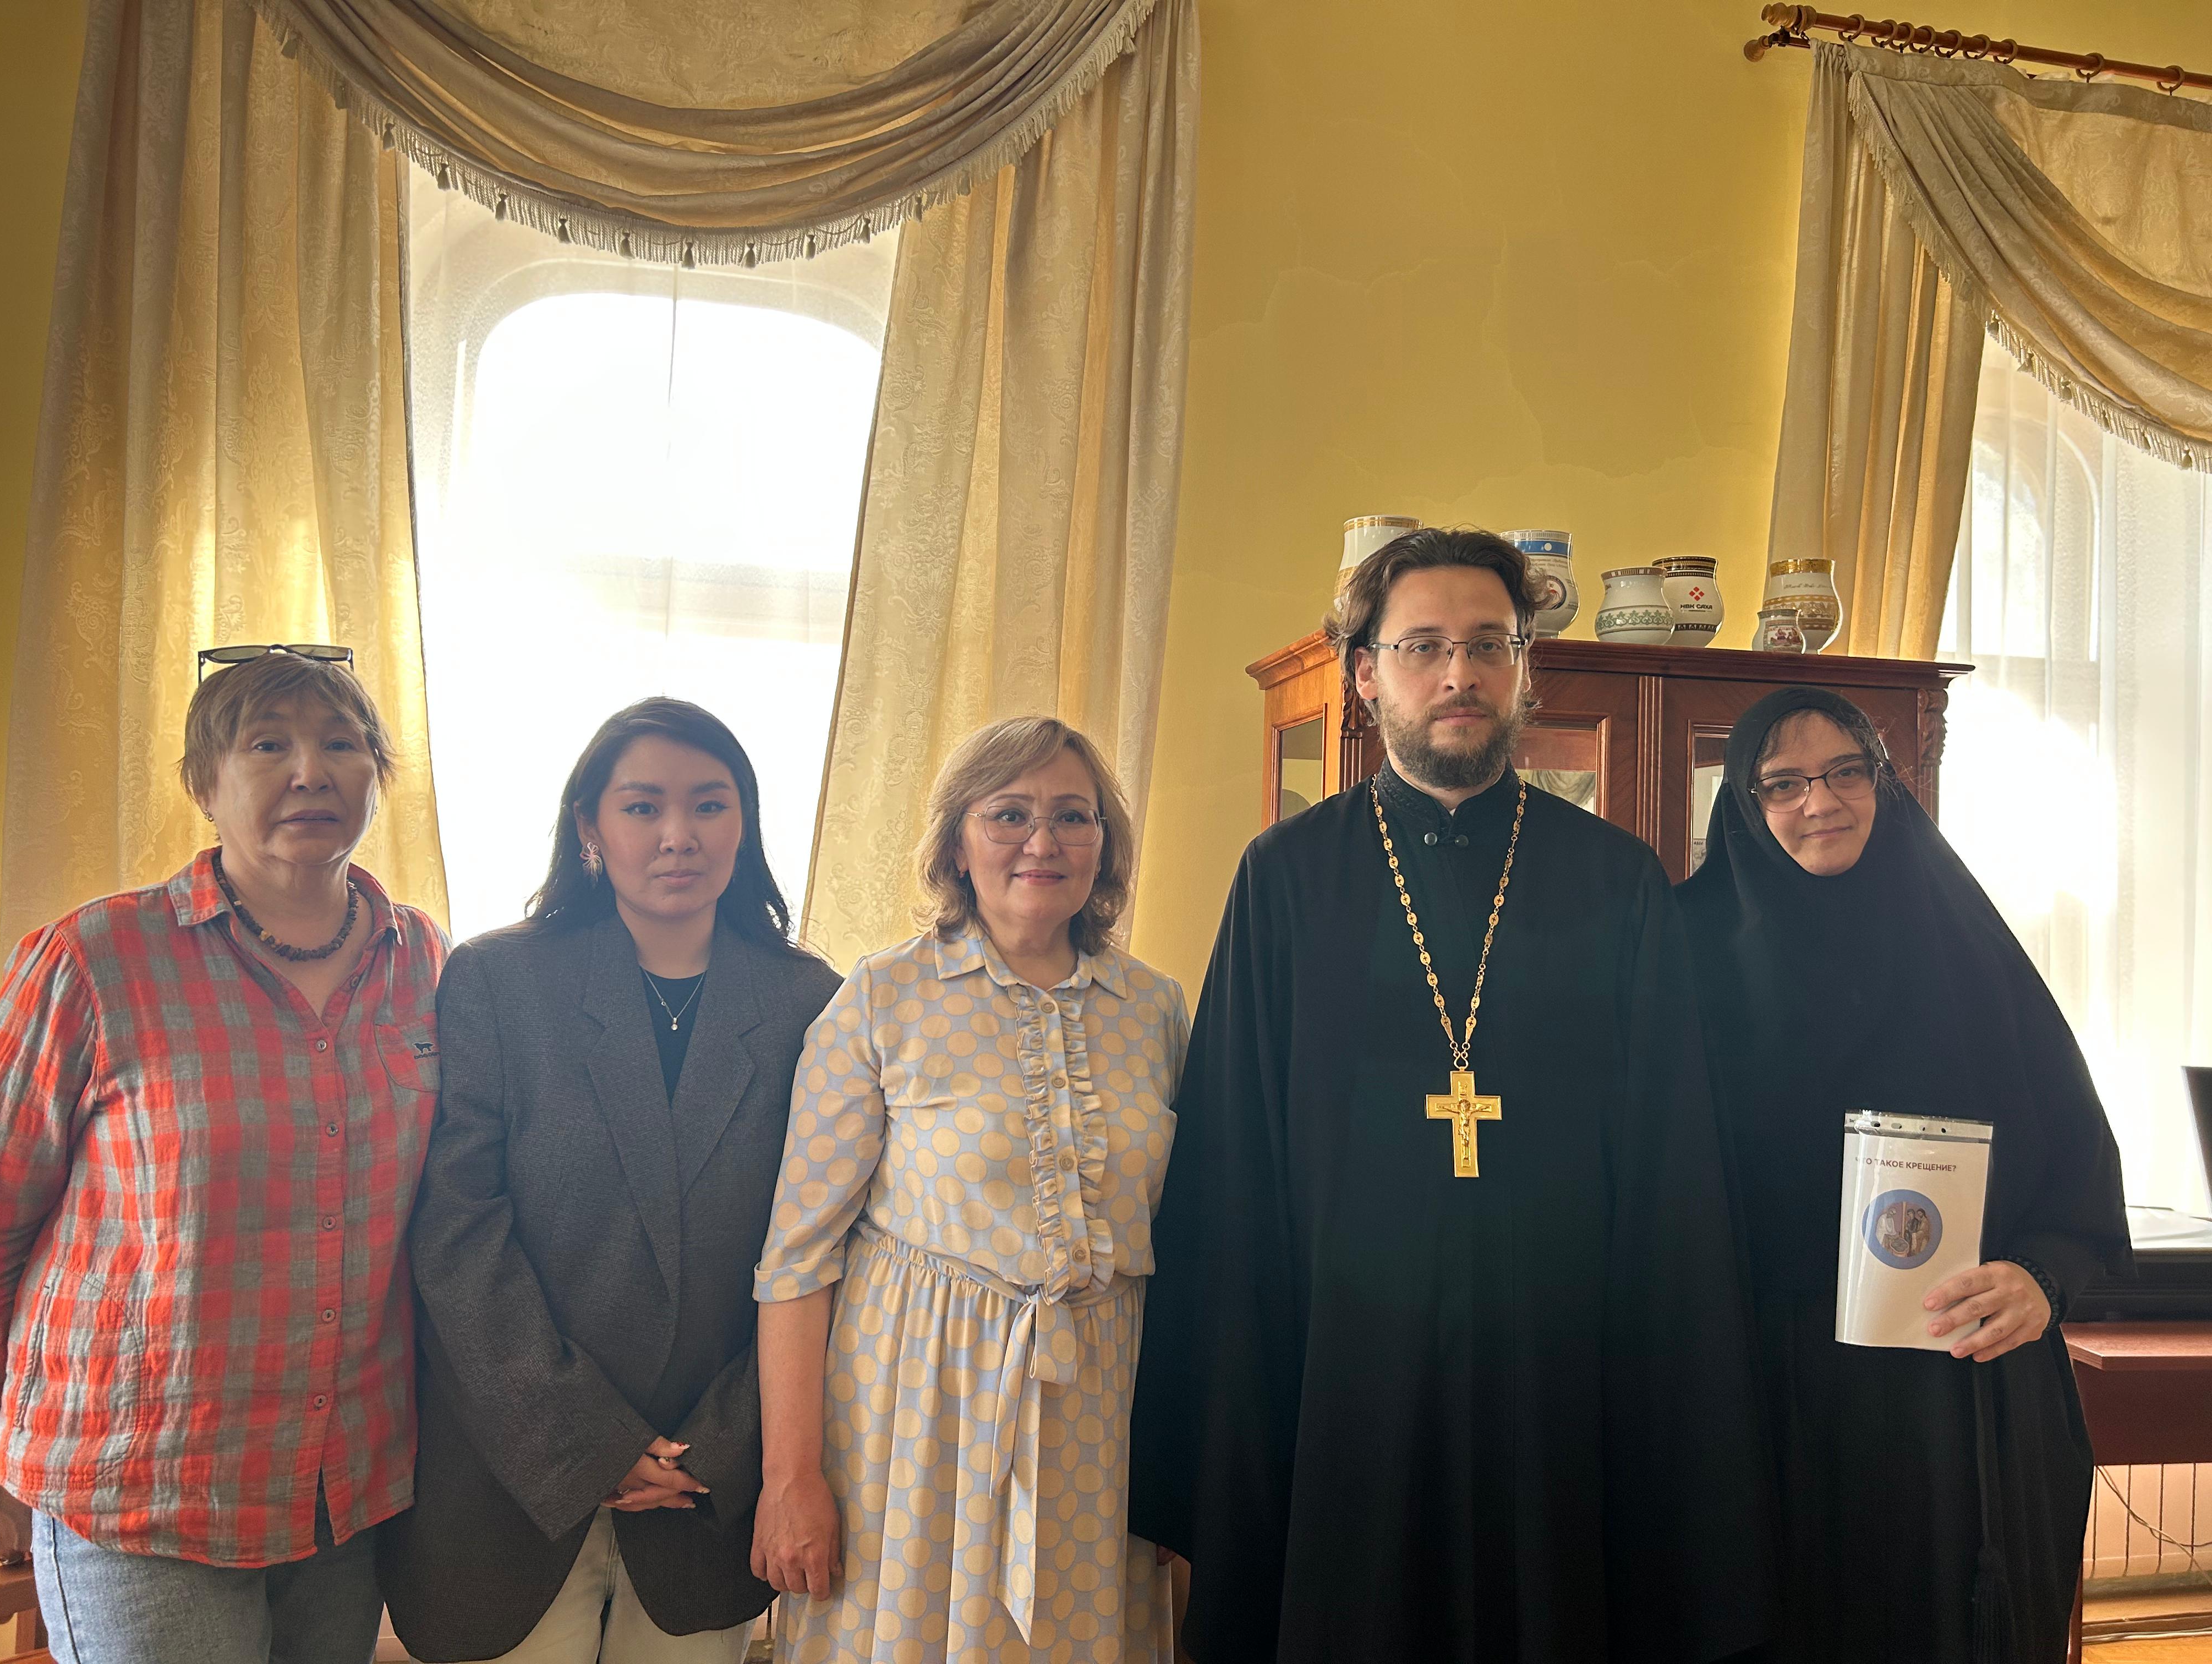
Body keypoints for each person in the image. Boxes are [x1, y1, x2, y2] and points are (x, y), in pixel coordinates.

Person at [1127, 528, 1771, 1663]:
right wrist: (1231, 1417)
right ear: (1366, 674)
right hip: (1343, 1375)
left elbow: (1673, 1159)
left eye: (1488, 645)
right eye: (1423, 646)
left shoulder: (1615, 878)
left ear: (1525, 667)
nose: (1459, 673)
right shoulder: (1286, 877)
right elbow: (1233, 1160)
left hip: (1560, 1372)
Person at [0, 644, 447, 1664]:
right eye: (267, 746)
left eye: (342, 745)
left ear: (378, 775)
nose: (311, 772)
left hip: (345, 1494)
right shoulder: (94, 958)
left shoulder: (424, 962)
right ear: (204, 785)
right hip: (141, 1492)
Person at [379, 698, 841, 1662]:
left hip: (707, 1492)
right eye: (642, 807)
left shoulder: (813, 1002)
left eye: (709, 804)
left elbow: (827, 1247)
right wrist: (590, 1442)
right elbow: (459, 1234)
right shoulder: (498, 980)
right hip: (511, 1483)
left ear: (745, 823)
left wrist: (719, 1448)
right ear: (589, 824)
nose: (678, 835)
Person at [1674, 685, 2131, 1663]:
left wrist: (2041, 1281)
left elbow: (2078, 1159)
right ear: (1745, 805)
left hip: (1954, 1397)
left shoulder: (1965, 945)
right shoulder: (1683, 954)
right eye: (1784, 783)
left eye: (1847, 772)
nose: (1821, 801)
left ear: (1884, 782)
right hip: (1759, 1392)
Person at [751, 716, 1188, 1664]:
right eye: (1009, 814)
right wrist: (790, 1477)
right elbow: (795, 1261)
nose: (1043, 841)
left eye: (1073, 816)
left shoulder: (1155, 1008)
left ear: (1104, 844)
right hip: (912, 1413)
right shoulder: (882, 998)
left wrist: (1184, 1468)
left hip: (1098, 1414)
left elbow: (1189, 1243)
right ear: (957, 843)